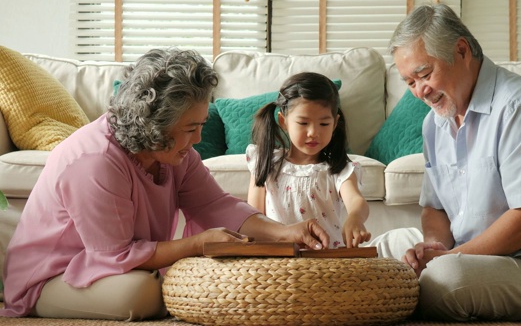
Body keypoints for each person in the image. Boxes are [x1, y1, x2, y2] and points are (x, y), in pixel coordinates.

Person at [0, 48, 329, 320]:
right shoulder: (95, 159)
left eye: (200, 125)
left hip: (118, 266)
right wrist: (196, 244)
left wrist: (287, 231)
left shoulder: (177, 154)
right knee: (139, 294)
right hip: (51, 277)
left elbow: (216, 205)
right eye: (190, 128)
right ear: (154, 124)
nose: (199, 138)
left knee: (175, 281)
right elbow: (115, 254)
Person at [379, 3, 521, 321]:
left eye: (424, 75)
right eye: (410, 83)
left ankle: (405, 290)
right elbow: (435, 207)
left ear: (461, 50)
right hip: (465, 253)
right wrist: (434, 247)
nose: (420, 92)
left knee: (445, 280)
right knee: (382, 249)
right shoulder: (433, 124)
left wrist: (446, 260)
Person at [246, 72, 371, 249]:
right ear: (284, 122)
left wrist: (355, 218)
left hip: (326, 263)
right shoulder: (265, 163)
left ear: (335, 124)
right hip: (276, 266)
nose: (313, 132)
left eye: (324, 124)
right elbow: (254, 217)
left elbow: (356, 201)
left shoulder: (339, 169)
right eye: (303, 123)